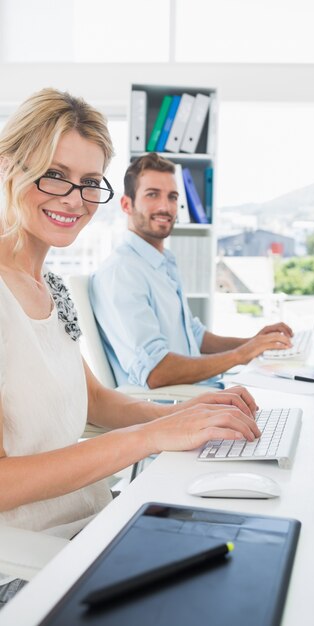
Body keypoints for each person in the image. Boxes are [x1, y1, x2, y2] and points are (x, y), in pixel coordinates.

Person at [0, 88, 260, 605]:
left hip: (92, 524)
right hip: (27, 564)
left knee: (245, 555)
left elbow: (93, 399)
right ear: (10, 165)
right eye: (55, 174)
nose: (74, 199)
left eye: (89, 183)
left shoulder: (49, 288)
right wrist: (153, 436)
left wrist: (184, 414)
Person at [90, 152, 294, 390]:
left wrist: (256, 343)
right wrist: (241, 355)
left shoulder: (161, 263)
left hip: (199, 395)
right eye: (152, 195)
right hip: (169, 410)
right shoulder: (122, 273)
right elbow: (156, 372)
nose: (165, 207)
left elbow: (194, 336)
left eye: (173, 197)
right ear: (127, 204)